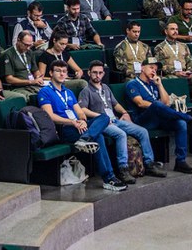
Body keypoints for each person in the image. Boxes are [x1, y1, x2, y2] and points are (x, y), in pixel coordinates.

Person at [39, 60, 127, 191]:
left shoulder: (68, 92)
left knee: (104, 117)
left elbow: (80, 112)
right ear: (51, 73)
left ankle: (85, 138)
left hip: (79, 127)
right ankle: (109, 179)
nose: (62, 74)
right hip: (64, 129)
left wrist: (82, 120)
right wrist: (73, 122)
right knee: (98, 138)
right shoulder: (45, 91)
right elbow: (50, 116)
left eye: (64, 71)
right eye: (58, 71)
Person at [79, 61, 167, 183]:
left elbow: (115, 104)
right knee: (121, 134)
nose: (97, 75)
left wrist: (125, 113)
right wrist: (101, 117)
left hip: (115, 120)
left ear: (103, 74)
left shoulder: (106, 88)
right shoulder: (86, 90)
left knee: (142, 131)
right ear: (89, 73)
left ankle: (149, 163)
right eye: (94, 73)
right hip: (102, 123)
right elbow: (83, 109)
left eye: (100, 73)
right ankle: (123, 169)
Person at [125, 57, 192, 174]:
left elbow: (167, 103)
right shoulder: (132, 84)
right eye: (151, 68)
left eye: (156, 69)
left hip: (158, 118)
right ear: (142, 68)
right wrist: (155, 105)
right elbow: (140, 103)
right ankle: (189, 118)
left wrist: (159, 85)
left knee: (180, 124)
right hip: (142, 120)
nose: (153, 71)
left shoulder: (153, 84)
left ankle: (180, 161)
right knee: (157, 104)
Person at [1, 31, 86, 94]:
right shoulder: (8, 54)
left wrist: (38, 77)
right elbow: (9, 79)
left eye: (30, 45)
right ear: (18, 41)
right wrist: (30, 81)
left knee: (50, 92)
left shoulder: (30, 52)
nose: (28, 48)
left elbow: (36, 71)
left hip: (33, 84)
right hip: (20, 86)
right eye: (26, 45)